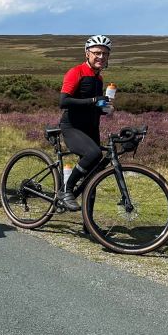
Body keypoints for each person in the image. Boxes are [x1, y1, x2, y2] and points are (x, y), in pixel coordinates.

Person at [58, 34, 115, 210]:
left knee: (93, 174)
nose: (101, 57)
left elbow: (93, 106)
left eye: (105, 53)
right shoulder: (76, 72)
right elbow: (64, 102)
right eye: (97, 53)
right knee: (94, 154)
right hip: (72, 126)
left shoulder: (99, 78)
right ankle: (66, 190)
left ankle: (88, 221)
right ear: (87, 53)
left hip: (91, 127)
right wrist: (93, 100)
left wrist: (104, 109)